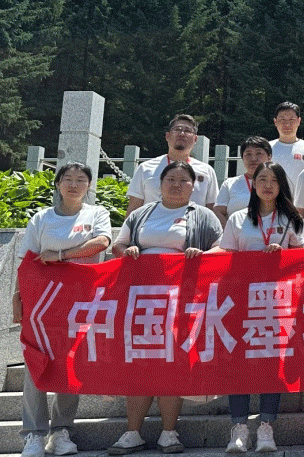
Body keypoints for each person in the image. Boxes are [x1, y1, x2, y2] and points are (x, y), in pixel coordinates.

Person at [109, 161, 222, 455]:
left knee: (172, 361)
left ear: (193, 187)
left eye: (183, 181)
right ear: (159, 184)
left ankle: (169, 433)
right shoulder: (142, 214)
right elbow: (117, 246)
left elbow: (222, 249)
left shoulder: (203, 215)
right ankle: (132, 432)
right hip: (141, 301)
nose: (176, 185)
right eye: (170, 179)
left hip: (181, 301)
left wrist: (203, 254)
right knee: (140, 362)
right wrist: (128, 250)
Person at [14, 162, 111, 457]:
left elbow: (101, 242)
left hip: (80, 300)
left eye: (80, 179)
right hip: (42, 302)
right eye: (67, 179)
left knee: (71, 362)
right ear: (57, 184)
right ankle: (33, 434)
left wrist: (60, 256)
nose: (73, 184)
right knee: (36, 362)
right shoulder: (42, 218)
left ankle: (61, 431)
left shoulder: (96, 213)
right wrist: (17, 296)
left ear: (88, 185)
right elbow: (26, 261)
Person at [209, 161, 303, 453]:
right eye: (262, 179)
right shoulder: (238, 218)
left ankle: (266, 427)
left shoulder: (291, 219)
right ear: (253, 184)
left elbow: (301, 257)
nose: (267, 185)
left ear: (281, 185)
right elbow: (227, 253)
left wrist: (283, 254)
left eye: (274, 180)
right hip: (242, 299)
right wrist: (203, 255)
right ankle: (239, 428)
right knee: (238, 361)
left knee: (271, 362)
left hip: (277, 300)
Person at [126, 114, 219, 215]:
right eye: (177, 129)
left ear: (195, 139)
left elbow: (212, 210)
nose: (182, 134)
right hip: (153, 224)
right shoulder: (145, 168)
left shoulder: (207, 171)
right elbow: (134, 208)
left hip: (192, 224)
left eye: (188, 131)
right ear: (167, 136)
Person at [213, 136, 272, 223]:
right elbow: (218, 212)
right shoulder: (230, 184)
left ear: (269, 157)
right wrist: (229, 230)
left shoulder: (277, 183)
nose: (253, 159)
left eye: (259, 153)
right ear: (242, 158)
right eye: (248, 154)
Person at [269, 101, 304, 191]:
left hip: (302, 198)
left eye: (291, 120)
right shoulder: (267, 148)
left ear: (298, 121)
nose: (287, 124)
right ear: (275, 122)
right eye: (282, 120)